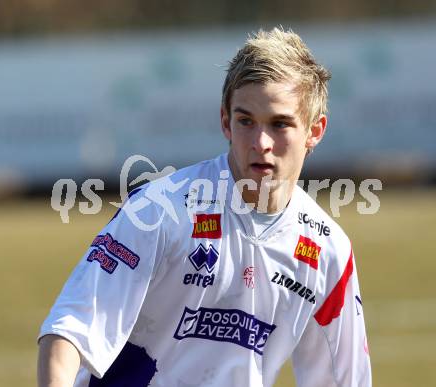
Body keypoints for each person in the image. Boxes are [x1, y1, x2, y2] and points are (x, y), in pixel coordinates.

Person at [38, 27, 372, 387]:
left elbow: (343, 380)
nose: (261, 142)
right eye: (246, 121)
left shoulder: (327, 250)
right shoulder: (158, 211)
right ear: (226, 122)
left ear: (314, 131)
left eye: (279, 124)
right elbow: (69, 332)